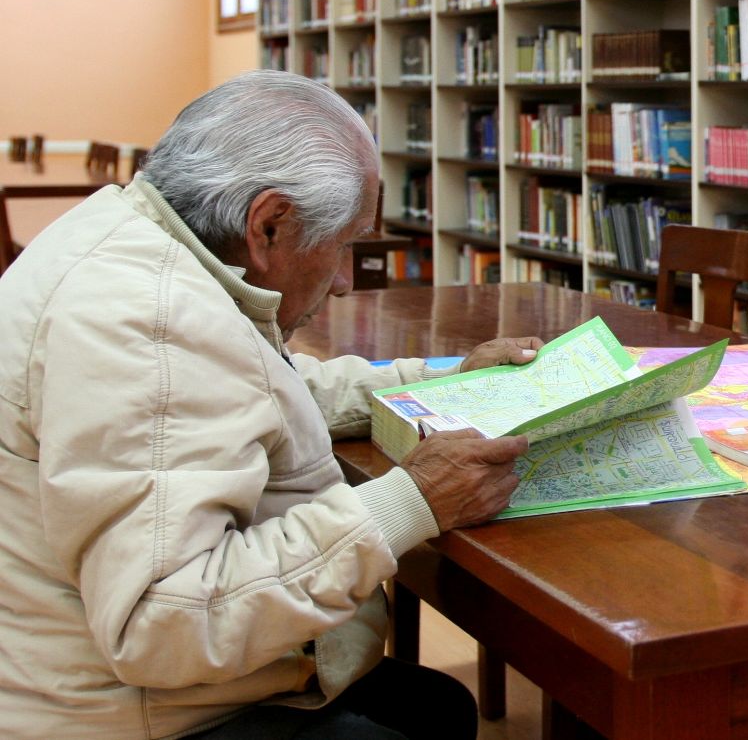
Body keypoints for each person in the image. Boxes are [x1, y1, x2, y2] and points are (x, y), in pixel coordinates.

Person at [0, 71, 541, 738]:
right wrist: (408, 503)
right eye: (343, 244)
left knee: (436, 708)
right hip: (131, 711)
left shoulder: (134, 236)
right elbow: (163, 621)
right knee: (425, 717)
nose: (345, 280)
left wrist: (436, 380)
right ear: (269, 224)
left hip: (81, 668)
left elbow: (242, 394)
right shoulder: (151, 326)